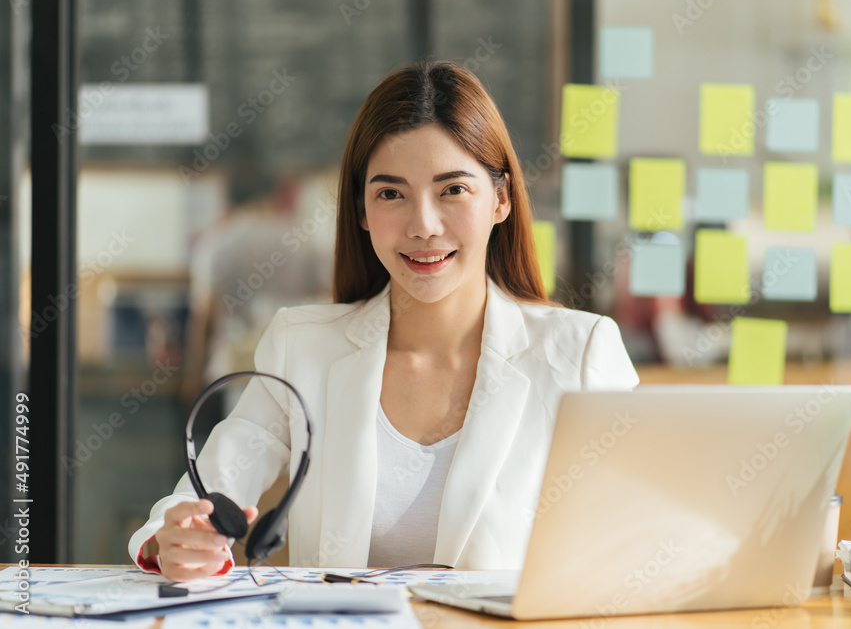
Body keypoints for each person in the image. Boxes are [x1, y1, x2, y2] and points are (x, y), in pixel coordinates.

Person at [128, 61, 640, 582]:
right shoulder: (301, 348)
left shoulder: (579, 354)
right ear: (361, 211)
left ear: (501, 199)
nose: (423, 225)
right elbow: (201, 496)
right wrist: (181, 540)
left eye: (453, 190)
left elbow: (644, 541)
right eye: (391, 193)